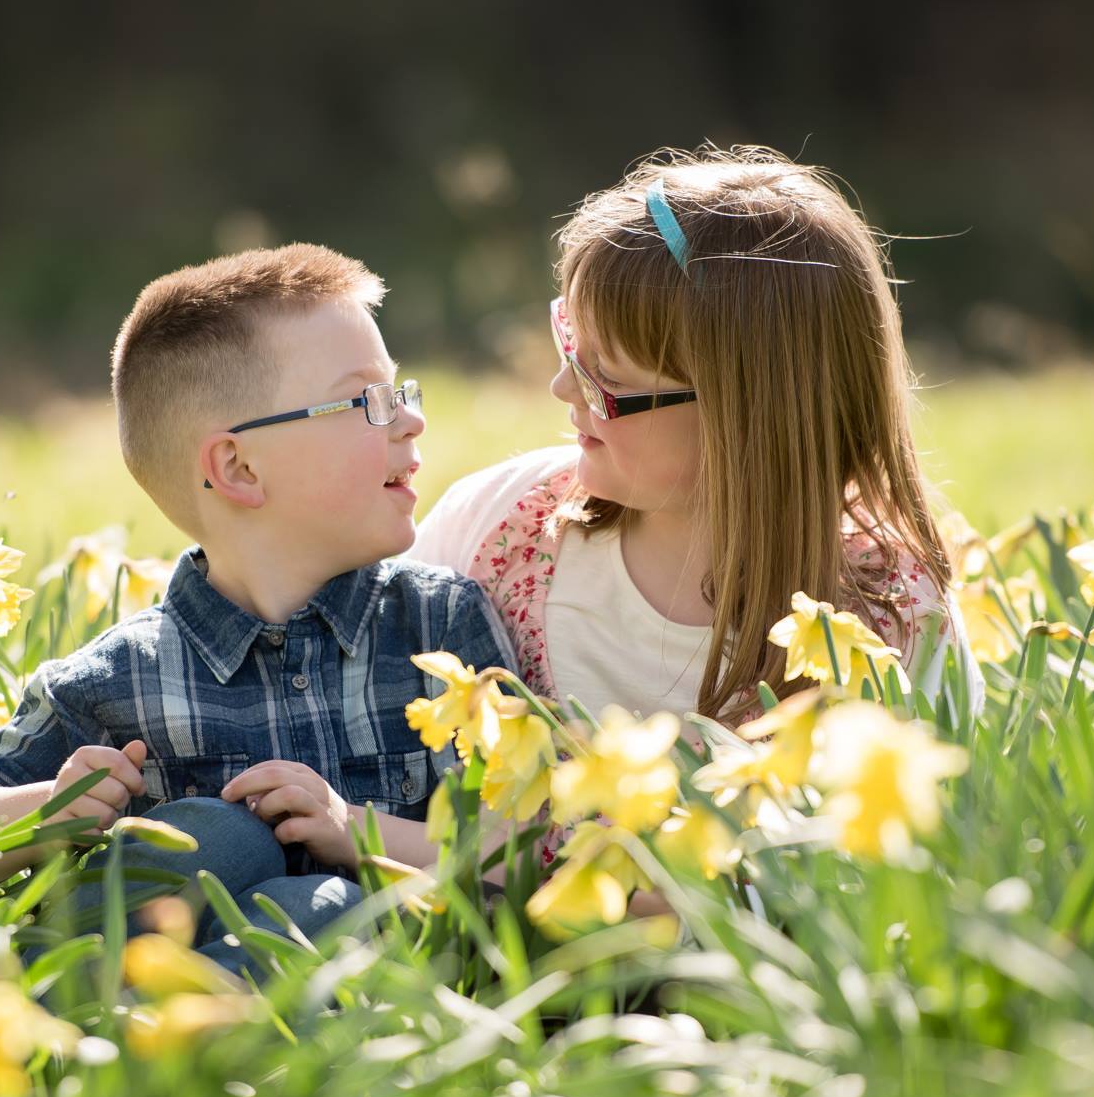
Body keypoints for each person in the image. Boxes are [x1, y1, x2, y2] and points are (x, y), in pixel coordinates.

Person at [410, 147, 984, 864]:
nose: (562, 388)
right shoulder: (502, 526)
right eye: (568, 344)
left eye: (604, 379)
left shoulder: (888, 622)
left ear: (748, 417)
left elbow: (904, 864)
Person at [0, 243, 515, 975]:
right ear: (239, 468)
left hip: (379, 1023)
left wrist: (358, 833)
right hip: (162, 967)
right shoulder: (115, 682)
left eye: (403, 393)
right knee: (218, 839)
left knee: (335, 906)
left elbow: (523, 851)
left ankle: (132, 1032)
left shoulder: (442, 629)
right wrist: (43, 811)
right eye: (370, 401)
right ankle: (103, 1014)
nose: (411, 421)